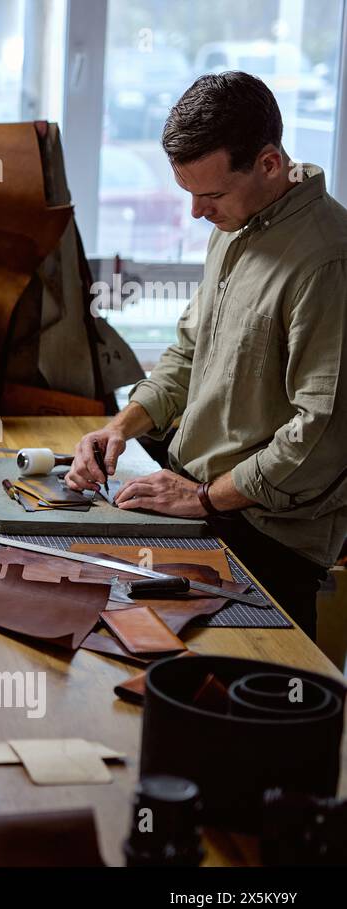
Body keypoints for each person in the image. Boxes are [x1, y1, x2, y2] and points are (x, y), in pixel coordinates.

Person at [67, 71, 347, 639]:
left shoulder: (327, 260)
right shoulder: (237, 223)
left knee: (237, 711)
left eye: (210, 194)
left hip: (267, 541)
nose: (196, 212)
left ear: (269, 164)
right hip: (196, 502)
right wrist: (122, 426)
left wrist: (203, 498)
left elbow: (319, 435)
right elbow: (191, 352)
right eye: (188, 192)